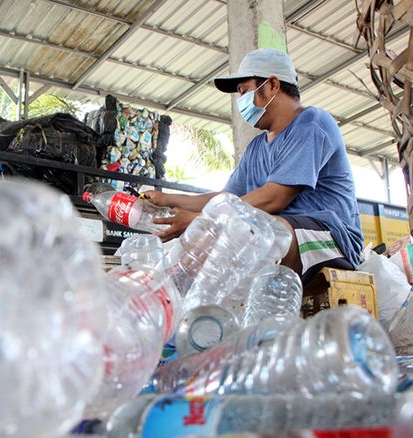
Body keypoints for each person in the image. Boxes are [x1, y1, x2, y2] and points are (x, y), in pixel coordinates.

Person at [143, 48, 363, 283]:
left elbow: (274, 198)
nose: (240, 101)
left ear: (272, 86)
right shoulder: (257, 147)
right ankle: (169, 292)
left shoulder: (311, 124)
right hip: (283, 231)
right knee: (220, 237)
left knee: (249, 233)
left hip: (333, 238)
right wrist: (168, 199)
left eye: (244, 91)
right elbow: (225, 199)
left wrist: (202, 221)